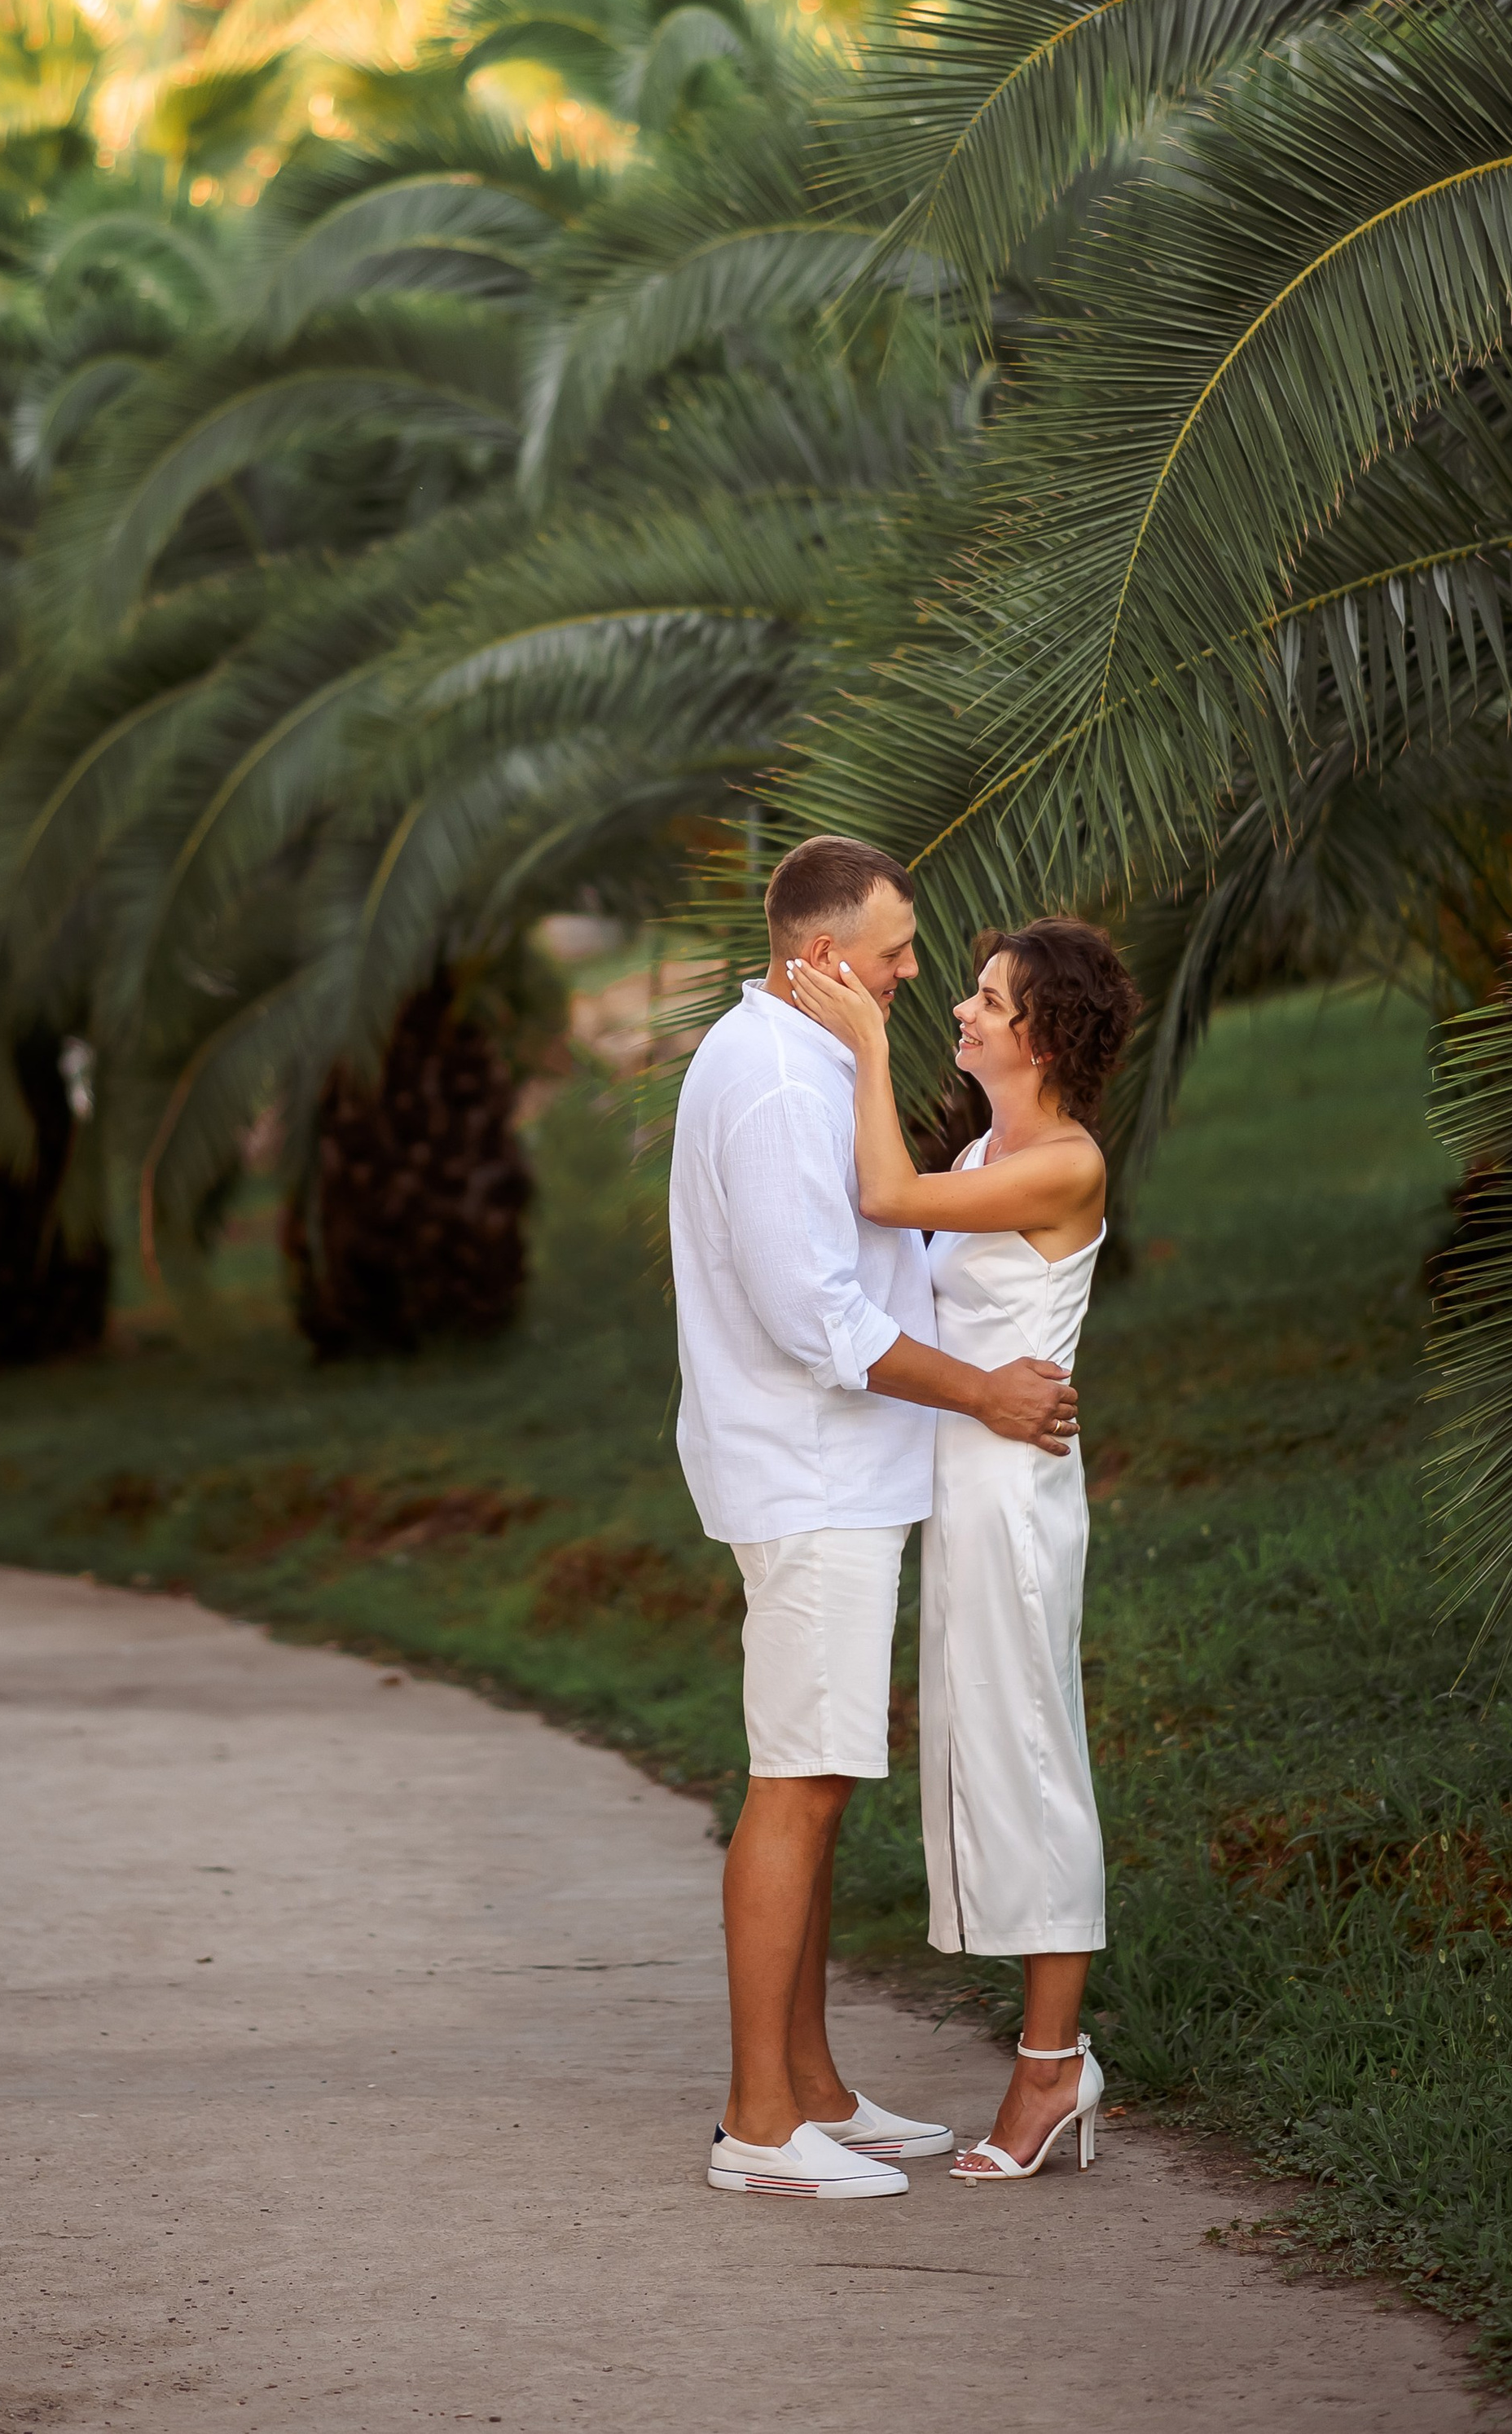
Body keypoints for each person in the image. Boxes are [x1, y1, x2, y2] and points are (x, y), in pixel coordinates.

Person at [669, 836, 1081, 2203]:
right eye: (898, 946)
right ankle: (758, 2122)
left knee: (820, 1772)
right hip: (813, 1475)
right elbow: (820, 1319)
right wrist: (980, 1393)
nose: (916, 969)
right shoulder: (783, 1079)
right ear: (827, 953)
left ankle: (816, 2088)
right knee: (798, 1778)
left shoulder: (799, 1058)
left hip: (830, 1475)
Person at [787, 915, 1141, 2183]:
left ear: (1040, 1031)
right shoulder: (995, 1142)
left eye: (988, 998)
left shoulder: (1063, 1163)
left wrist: (865, 1040)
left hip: (1014, 1500)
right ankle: (1052, 2054)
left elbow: (887, 1195)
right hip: (972, 1482)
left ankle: (1053, 2066)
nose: (964, 1010)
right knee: (994, 1742)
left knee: (1035, 1751)